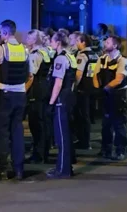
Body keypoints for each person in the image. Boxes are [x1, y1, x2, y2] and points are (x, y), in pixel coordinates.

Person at [0, 20, 31, 181]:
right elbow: (30, 75)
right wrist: (22, 88)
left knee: (2, 133)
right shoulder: (24, 50)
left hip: (4, 95)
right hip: (20, 95)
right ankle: (18, 169)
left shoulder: (1, 49)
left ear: (5, 33)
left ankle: (1, 169)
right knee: (17, 132)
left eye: (1, 32)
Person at [46, 31, 78, 179]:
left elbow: (58, 83)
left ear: (58, 43)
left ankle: (63, 170)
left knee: (61, 136)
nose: (50, 43)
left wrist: (51, 102)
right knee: (67, 134)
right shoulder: (70, 56)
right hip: (69, 97)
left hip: (61, 99)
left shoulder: (60, 58)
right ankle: (65, 166)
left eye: (52, 41)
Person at [93, 35, 127, 161]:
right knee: (105, 124)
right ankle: (105, 149)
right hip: (105, 95)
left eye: (108, 42)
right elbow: (95, 75)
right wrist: (98, 89)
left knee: (119, 124)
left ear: (115, 45)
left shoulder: (123, 61)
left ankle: (120, 150)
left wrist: (105, 88)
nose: (105, 44)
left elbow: (118, 79)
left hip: (118, 96)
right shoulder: (102, 59)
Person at [25, 30, 51, 164]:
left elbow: (31, 76)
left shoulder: (34, 55)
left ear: (34, 40)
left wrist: (23, 90)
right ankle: (44, 152)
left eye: (29, 38)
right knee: (44, 122)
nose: (26, 40)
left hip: (36, 91)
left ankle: (38, 154)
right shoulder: (45, 52)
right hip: (45, 88)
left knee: (35, 123)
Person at [74, 33, 98, 151]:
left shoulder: (82, 56)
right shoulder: (94, 55)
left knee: (82, 116)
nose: (76, 43)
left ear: (83, 42)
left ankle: (83, 141)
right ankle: (86, 140)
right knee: (88, 115)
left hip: (82, 89)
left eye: (77, 41)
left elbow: (78, 74)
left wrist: (74, 86)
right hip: (92, 88)